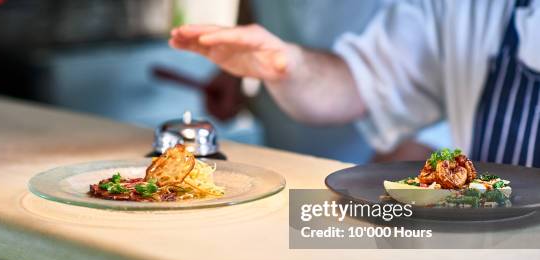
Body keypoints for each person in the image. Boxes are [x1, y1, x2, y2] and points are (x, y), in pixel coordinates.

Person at [170, 0, 540, 167]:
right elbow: (358, 80)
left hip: (383, 153)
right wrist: (286, 65)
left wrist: (424, 154)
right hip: (298, 138)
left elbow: (435, 133)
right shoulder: (464, 7)